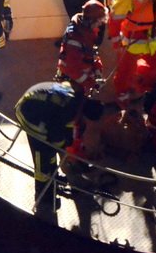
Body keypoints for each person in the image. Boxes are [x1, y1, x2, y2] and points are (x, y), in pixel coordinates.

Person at [14, 80, 104, 212]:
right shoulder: (70, 110)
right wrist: (63, 145)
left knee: (53, 149)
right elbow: (55, 133)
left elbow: (63, 122)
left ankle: (52, 179)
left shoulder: (77, 96)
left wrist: (67, 141)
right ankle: (44, 197)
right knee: (44, 156)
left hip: (35, 101)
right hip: (29, 114)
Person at [55, 0, 107, 96]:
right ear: (91, 21)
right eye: (99, 21)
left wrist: (97, 70)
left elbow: (92, 54)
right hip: (71, 79)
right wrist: (91, 83)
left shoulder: (88, 32)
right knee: (77, 104)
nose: (101, 24)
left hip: (80, 73)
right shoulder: (74, 39)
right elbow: (73, 69)